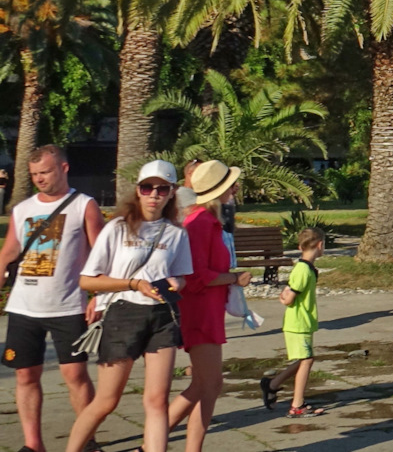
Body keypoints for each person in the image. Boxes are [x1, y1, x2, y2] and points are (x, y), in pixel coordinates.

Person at [68, 160, 193, 452]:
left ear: (172, 193)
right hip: (123, 313)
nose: (154, 195)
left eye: (162, 189)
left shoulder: (176, 233)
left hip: (162, 316)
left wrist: (175, 283)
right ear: (137, 190)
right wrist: (133, 284)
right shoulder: (118, 228)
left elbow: (182, 276)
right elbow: (87, 280)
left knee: (157, 400)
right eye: (147, 188)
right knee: (107, 400)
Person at [0, 146, 104, 452]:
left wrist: (98, 296)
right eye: (34, 174)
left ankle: (87, 441)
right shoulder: (23, 209)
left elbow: (101, 254)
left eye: (45, 172)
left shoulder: (84, 205)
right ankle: (33, 445)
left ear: (63, 168)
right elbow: (9, 251)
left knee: (75, 374)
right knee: (25, 374)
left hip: (68, 305)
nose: (39, 179)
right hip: (23, 306)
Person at [165, 161, 250, 452]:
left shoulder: (204, 220)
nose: (235, 189)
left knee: (204, 384)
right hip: (200, 312)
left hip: (206, 310)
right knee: (209, 384)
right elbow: (198, 276)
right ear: (219, 190)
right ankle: (154, 441)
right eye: (230, 184)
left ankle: (160, 441)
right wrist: (235, 278)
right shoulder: (201, 223)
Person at [259, 229, 324, 417]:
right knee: (307, 360)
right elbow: (288, 298)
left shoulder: (305, 268)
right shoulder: (303, 270)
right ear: (320, 245)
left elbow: (289, 290)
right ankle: (297, 405)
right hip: (298, 323)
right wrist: (285, 297)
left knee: (305, 359)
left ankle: (272, 385)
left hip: (303, 322)